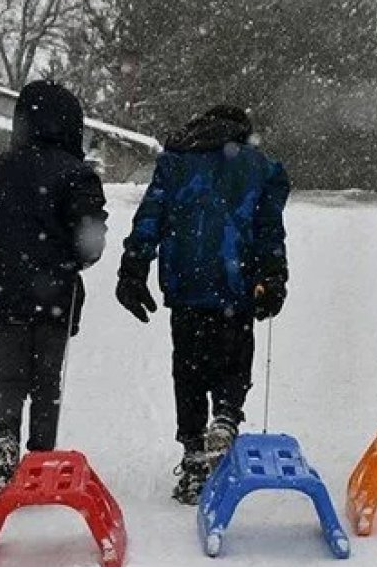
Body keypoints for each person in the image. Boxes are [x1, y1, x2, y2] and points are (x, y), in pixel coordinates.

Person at [115, 105, 289, 505]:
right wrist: (273, 276)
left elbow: (150, 217)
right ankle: (226, 417)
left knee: (189, 367)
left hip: (187, 281)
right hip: (238, 281)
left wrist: (133, 267)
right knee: (234, 358)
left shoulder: (176, 162)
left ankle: (194, 456)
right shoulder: (258, 166)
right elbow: (268, 228)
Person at [0, 80, 108, 494]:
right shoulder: (77, 175)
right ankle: (39, 459)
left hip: (3, 292)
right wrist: (76, 260)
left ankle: (4, 442)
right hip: (56, 293)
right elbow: (90, 242)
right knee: (46, 381)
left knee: (9, 377)